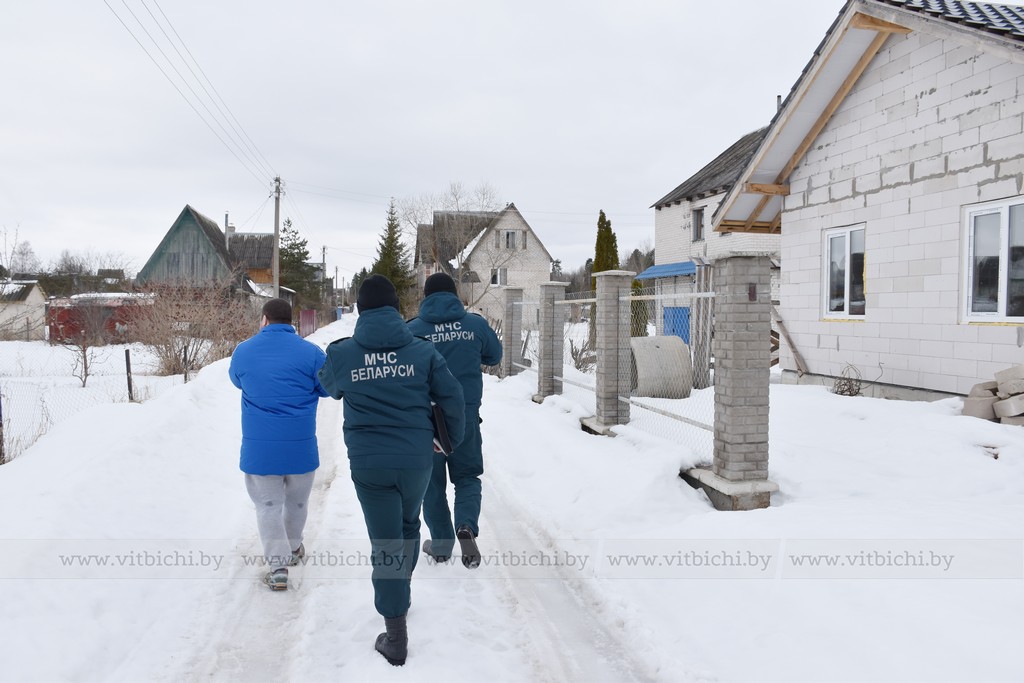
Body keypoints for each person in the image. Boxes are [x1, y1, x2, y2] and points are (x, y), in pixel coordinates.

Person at [318, 274, 465, 667]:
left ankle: (395, 634)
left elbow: (329, 386)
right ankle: (402, 591)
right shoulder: (422, 352)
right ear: (398, 310)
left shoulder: (343, 353)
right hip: (417, 457)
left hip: (370, 465)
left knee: (385, 542)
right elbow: (453, 396)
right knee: (409, 526)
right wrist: (449, 441)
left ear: (360, 310)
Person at [228, 298, 329, 592]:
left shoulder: (243, 352)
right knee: (298, 501)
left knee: (268, 506)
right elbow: (325, 387)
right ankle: (295, 547)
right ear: (292, 322)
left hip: (261, 451)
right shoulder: (311, 353)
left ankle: (278, 568)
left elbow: (237, 381)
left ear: (264, 320)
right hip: (301, 447)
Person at [407, 272, 502, 568]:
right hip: (466, 417)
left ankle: (441, 545)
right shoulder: (475, 324)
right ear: (454, 294)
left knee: (431, 486)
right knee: (467, 476)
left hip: (426, 422)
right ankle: (466, 526)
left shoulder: (412, 329)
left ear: (426, 297)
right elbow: (494, 356)